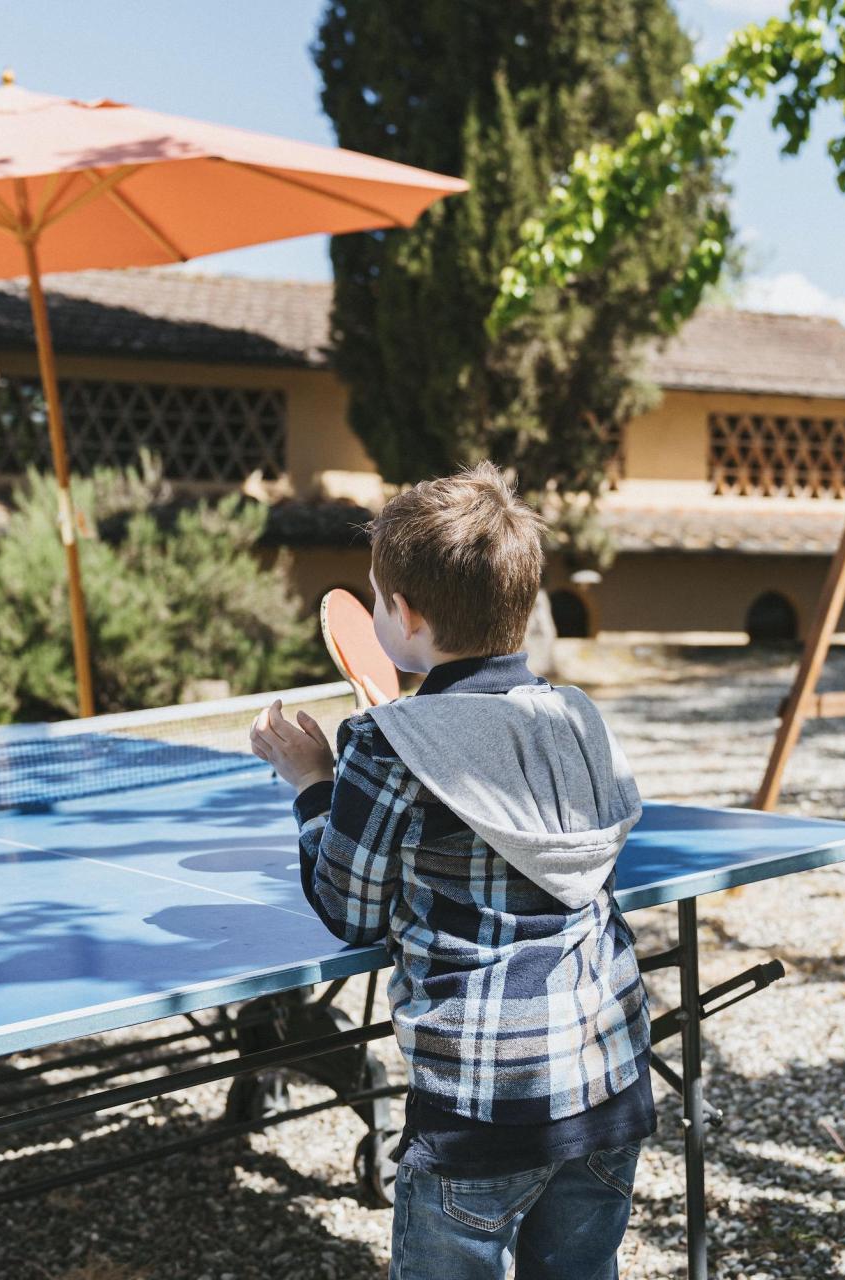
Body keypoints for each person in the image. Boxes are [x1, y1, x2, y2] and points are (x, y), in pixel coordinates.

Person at [251, 464, 651, 1280]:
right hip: (608, 1086)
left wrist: (315, 783)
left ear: (403, 615)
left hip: (481, 1106)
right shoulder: (578, 717)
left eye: (376, 598)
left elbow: (349, 908)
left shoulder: (387, 746)